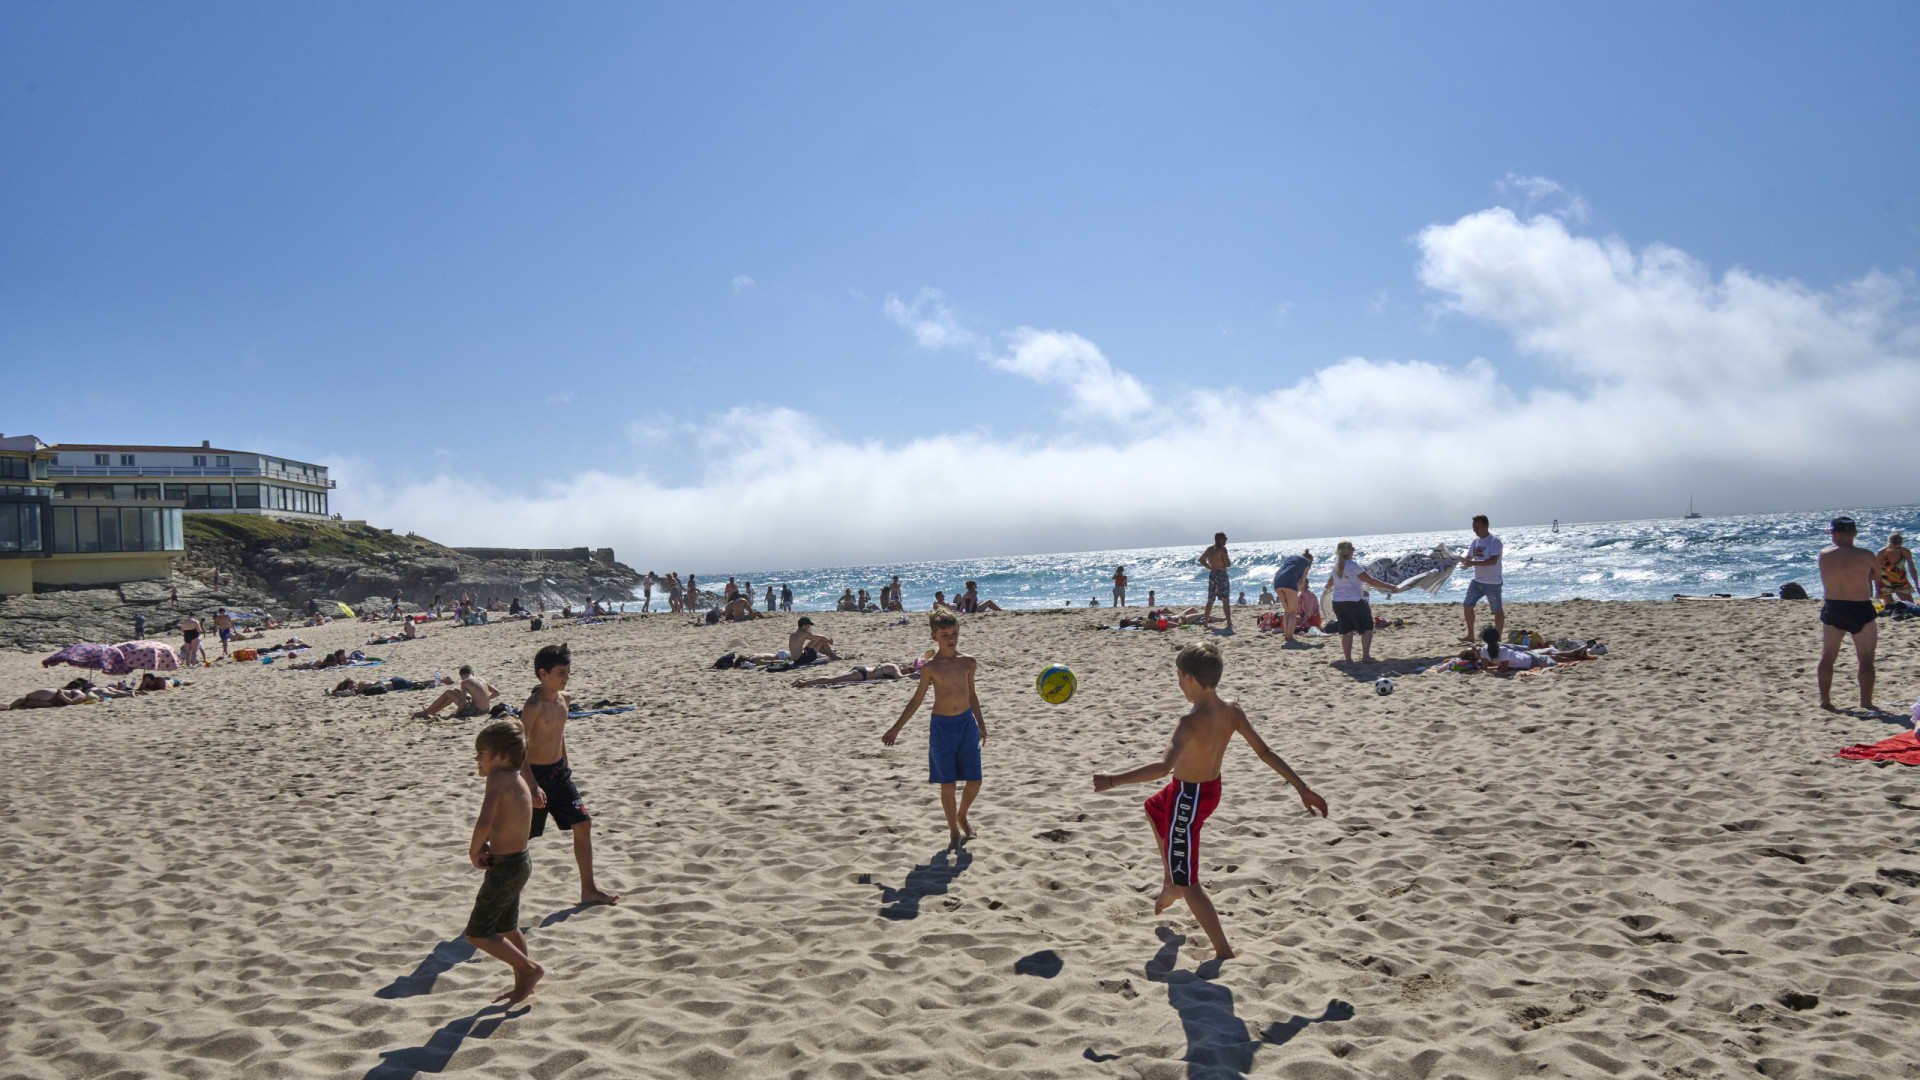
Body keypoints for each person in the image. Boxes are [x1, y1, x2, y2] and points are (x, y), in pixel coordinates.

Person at [1091, 640, 1327, 962]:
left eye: (1177, 676)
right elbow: (1265, 752)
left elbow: (1163, 767)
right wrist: (1302, 787)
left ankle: (1223, 951)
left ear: (1188, 678)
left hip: (1188, 799)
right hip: (1208, 790)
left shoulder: (1189, 723)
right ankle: (1170, 881)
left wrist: (1112, 780)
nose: (1177, 682)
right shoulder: (1232, 710)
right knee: (1153, 807)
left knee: (1191, 882)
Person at [519, 642, 619, 905]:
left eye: (568, 672)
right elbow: (519, 749)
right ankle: (498, 896)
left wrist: (565, 763)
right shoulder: (533, 705)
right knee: (519, 840)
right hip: (534, 777)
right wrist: (531, 786)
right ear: (543, 674)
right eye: (561, 673)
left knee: (583, 824)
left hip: (559, 775)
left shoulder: (566, 700)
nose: (566, 677)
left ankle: (589, 890)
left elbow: (558, 734)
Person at [883, 610, 987, 849]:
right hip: (941, 727)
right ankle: (953, 830)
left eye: (954, 633)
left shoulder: (968, 662)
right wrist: (896, 728)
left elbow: (972, 695)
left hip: (966, 725)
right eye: (944, 634)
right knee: (948, 783)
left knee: (975, 781)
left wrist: (981, 724)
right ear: (934, 637)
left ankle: (962, 815)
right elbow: (917, 699)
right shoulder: (930, 667)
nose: (951, 638)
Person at [463, 720, 543, 1005]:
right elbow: (503, 822)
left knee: (477, 933)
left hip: (507, 867)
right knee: (508, 926)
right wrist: (490, 844)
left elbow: (485, 819)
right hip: (518, 862)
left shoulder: (498, 778)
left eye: (482, 753)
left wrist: (474, 851)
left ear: (502, 756)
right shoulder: (516, 777)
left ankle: (528, 969)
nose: (477, 759)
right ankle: (524, 977)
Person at [1818, 515, 1880, 711]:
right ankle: (1866, 702)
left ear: (1834, 534)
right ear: (1854, 534)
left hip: (1834, 607)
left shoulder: (1824, 554)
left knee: (1828, 655)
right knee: (1866, 658)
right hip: (1859, 606)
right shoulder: (1866, 555)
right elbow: (1877, 576)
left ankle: (1825, 701)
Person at [1327, 541, 1404, 664]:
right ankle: (1366, 657)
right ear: (1351, 552)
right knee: (1368, 628)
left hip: (1338, 603)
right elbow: (1370, 580)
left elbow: (1330, 583)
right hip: (1354, 603)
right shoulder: (1353, 565)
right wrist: (1390, 586)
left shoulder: (1336, 566)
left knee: (1346, 632)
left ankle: (1348, 660)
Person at [1460, 514, 1505, 641]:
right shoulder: (1475, 542)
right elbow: (1469, 558)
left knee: (1497, 610)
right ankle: (1470, 635)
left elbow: (1493, 561)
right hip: (1477, 581)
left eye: (1478, 528)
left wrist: (1473, 563)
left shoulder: (1495, 541)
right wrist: (1461, 560)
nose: (1475, 531)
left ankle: (1499, 638)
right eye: (1474, 528)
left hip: (1493, 583)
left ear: (1486, 526)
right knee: (1467, 605)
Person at [411, 665, 501, 719]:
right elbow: (497, 693)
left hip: (476, 711)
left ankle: (425, 712)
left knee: (448, 692)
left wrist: (457, 713)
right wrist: (484, 699)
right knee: (455, 691)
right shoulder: (481, 679)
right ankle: (432, 711)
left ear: (463, 675)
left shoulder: (465, 682)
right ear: (472, 674)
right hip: (486, 710)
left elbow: (463, 702)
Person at [1271, 550, 1313, 643]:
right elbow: (1302, 580)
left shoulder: (1291, 558)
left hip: (1277, 581)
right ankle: (1290, 636)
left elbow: (1277, 572)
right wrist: (1296, 591)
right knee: (1292, 612)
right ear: (1310, 560)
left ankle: (1286, 634)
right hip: (1289, 583)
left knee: (1287, 611)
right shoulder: (1307, 563)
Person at [1197, 532, 1234, 633]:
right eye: (1225, 539)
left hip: (1213, 575)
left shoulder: (1209, 549)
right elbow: (1228, 564)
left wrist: (1210, 567)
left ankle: (1205, 623)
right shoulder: (1222, 549)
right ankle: (1229, 623)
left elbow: (1201, 559)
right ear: (1220, 539)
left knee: (1210, 599)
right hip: (1222, 575)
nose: (1226, 541)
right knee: (1225, 600)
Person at [794, 660, 910, 688]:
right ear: (903, 667)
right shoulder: (895, 668)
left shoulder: (893, 666)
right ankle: (803, 683)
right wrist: (918, 674)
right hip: (862, 674)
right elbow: (900, 678)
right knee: (832, 680)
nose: (903, 672)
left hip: (862, 670)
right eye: (905, 671)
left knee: (833, 678)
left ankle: (806, 679)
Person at [1878, 533, 1917, 603]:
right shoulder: (1882, 553)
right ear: (1889, 544)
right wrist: (1877, 589)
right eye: (1892, 547)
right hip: (1885, 582)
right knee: (1889, 608)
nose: (1895, 549)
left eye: (1898, 547)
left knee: (1910, 606)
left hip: (1901, 581)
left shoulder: (1905, 552)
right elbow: (1876, 570)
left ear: (1901, 544)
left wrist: (1917, 585)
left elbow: (1912, 568)